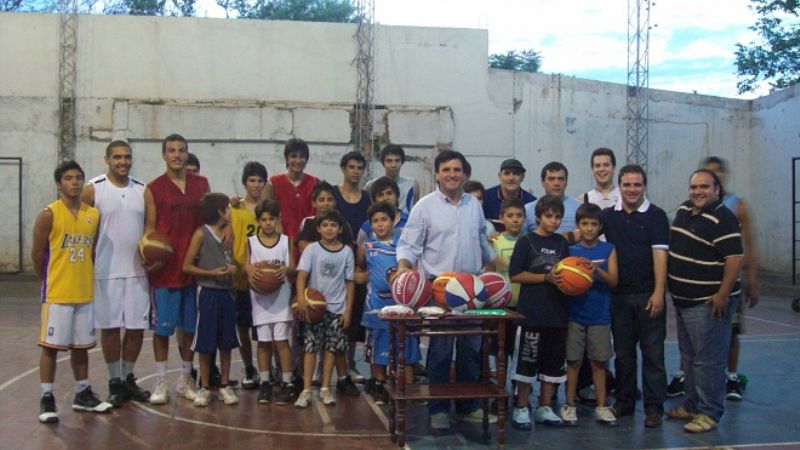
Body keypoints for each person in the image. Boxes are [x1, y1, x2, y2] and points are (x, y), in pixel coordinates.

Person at [396, 150, 494, 430]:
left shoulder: (474, 205)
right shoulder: (424, 207)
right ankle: (438, 409)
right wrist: (404, 267)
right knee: (440, 351)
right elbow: (409, 244)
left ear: (465, 174)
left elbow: (481, 241)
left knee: (471, 350)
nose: (452, 174)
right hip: (439, 288)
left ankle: (467, 407)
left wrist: (492, 262)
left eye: (457, 169)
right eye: (447, 169)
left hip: (472, 288)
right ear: (437, 173)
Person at [667, 156, 759, 401]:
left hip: (707, 302)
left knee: (707, 361)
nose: (698, 192)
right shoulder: (684, 210)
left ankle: (709, 411)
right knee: (689, 357)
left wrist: (722, 294)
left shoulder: (725, 217)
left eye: (704, 187)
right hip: (683, 300)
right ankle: (691, 406)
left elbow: (734, 258)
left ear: (717, 189)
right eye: (694, 187)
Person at [33, 160, 112, 423]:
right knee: (50, 347)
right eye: (68, 178)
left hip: (84, 291)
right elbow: (36, 254)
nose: (75, 182)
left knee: (81, 348)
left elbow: (90, 250)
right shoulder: (49, 214)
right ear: (59, 183)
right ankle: (47, 397)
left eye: (78, 177)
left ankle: (82, 393)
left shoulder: (93, 215)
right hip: (57, 292)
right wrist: (46, 280)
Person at [82, 141, 151, 407]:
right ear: (107, 159)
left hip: (137, 272)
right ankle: (114, 381)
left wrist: (153, 257)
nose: (123, 162)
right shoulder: (94, 188)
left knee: (135, 329)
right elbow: (82, 229)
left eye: (127, 157)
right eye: (117, 157)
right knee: (110, 329)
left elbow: (151, 229)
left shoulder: (142, 190)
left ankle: (127, 378)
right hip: (105, 271)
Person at [601, 164, 669, 428]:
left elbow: (660, 254)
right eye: (627, 185)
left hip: (647, 296)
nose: (632, 189)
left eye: (637, 184)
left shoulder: (657, 216)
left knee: (653, 355)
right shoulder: (608, 216)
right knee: (623, 355)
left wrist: (659, 292)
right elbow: (586, 235)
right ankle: (624, 402)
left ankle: (654, 408)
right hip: (618, 298)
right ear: (620, 186)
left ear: (645, 186)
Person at [144, 134, 209, 405]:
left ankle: (185, 378)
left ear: (187, 153)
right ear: (164, 155)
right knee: (163, 329)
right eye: (171, 151)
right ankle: (161, 380)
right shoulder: (154, 188)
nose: (177, 155)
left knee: (189, 327)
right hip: (165, 269)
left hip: (192, 267)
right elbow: (149, 228)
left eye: (181, 150)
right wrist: (149, 254)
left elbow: (209, 221)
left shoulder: (201, 184)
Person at [508, 195, 569, 430]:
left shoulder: (562, 244)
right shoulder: (526, 242)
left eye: (557, 217)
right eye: (549, 216)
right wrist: (546, 277)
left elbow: (568, 275)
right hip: (531, 314)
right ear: (538, 217)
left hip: (557, 313)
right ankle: (521, 408)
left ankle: (545, 406)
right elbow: (515, 274)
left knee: (552, 365)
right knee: (526, 364)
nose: (553, 221)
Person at [357, 202, 421, 404]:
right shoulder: (366, 247)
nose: (380, 224)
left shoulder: (403, 246)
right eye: (375, 221)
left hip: (403, 307)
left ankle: (408, 387)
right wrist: (361, 277)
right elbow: (359, 271)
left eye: (384, 219)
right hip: (376, 307)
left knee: (407, 349)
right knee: (378, 351)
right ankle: (379, 385)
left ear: (393, 220)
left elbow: (414, 271)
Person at [294, 210, 358, 408]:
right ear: (319, 228)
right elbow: (302, 276)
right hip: (315, 308)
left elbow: (350, 283)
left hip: (337, 308)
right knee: (311, 348)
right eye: (325, 225)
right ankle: (305, 391)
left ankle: (325, 388)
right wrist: (302, 299)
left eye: (333, 225)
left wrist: (348, 311)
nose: (329, 228)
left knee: (331, 348)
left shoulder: (346, 252)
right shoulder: (312, 250)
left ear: (339, 229)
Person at [562, 203, 618, 427]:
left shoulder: (608, 249)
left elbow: (614, 280)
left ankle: (602, 406)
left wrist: (596, 270)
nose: (589, 228)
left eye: (594, 224)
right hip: (574, 315)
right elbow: (563, 280)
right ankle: (569, 404)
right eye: (584, 224)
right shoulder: (571, 251)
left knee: (599, 363)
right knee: (573, 362)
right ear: (578, 225)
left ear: (600, 227)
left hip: (600, 316)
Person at [182, 193, 239, 407]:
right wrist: (212, 273)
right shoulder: (201, 234)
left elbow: (229, 259)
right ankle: (205, 387)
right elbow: (187, 266)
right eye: (227, 208)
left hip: (227, 292)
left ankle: (225, 385)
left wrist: (232, 269)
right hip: (207, 292)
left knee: (226, 342)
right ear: (220, 211)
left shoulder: (228, 233)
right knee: (205, 342)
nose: (230, 211)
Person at [245, 200, 298, 405]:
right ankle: (265, 382)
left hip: (281, 298)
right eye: (264, 220)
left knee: (282, 342)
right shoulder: (251, 241)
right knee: (264, 343)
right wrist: (249, 269)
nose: (268, 223)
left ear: (278, 219)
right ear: (258, 221)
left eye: (271, 219)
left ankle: (287, 382)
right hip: (260, 298)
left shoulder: (286, 241)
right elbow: (246, 266)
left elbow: (293, 268)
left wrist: (286, 270)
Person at [332, 151, 371, 383]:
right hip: (335, 261)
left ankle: (350, 362)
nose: (355, 171)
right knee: (332, 314)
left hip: (357, 266)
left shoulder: (367, 198)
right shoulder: (334, 195)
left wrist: (362, 264)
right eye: (352, 167)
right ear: (343, 168)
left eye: (359, 167)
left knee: (353, 316)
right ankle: (324, 364)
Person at [229, 162, 268, 389]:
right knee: (243, 326)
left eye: (260, 181)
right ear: (245, 183)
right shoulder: (234, 208)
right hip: (242, 278)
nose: (255, 185)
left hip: (264, 279)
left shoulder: (268, 210)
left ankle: (268, 367)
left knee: (266, 326)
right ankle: (249, 367)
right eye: (252, 180)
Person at [269, 138, 318, 244]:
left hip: (308, 241)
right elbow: (261, 207)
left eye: (302, 156)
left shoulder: (315, 183)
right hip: (281, 240)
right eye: (293, 156)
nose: (298, 160)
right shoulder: (274, 183)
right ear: (286, 159)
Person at [525, 162, 582, 240]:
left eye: (561, 179)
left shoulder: (579, 208)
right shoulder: (528, 210)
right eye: (551, 179)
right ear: (542, 182)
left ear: (566, 182)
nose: (556, 183)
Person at [483, 159, 537, 232]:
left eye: (516, 173)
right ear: (499, 176)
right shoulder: (485, 198)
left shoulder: (531, 202)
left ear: (523, 177)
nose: (511, 178)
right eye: (507, 173)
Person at [364, 144, 420, 214]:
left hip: (406, 223)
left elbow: (416, 211)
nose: (393, 165)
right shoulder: (370, 186)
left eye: (397, 160)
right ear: (383, 163)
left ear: (402, 162)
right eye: (389, 161)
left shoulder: (412, 184)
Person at [356, 177, 409, 245]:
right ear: (374, 200)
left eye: (389, 193)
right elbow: (360, 251)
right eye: (380, 195)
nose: (385, 198)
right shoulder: (367, 226)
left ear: (397, 195)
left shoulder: (409, 221)